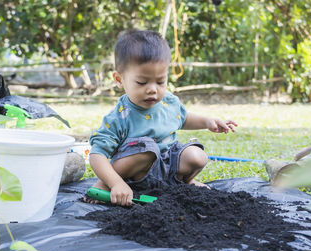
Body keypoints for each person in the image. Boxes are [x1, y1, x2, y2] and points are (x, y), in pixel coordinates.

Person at [86, 29, 237, 206]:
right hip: (136, 172)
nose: (153, 89)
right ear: (119, 79)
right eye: (142, 82)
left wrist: (207, 122)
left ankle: (183, 182)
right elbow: (97, 154)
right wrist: (115, 182)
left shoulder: (168, 102)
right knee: (147, 148)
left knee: (198, 156)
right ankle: (105, 184)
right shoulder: (120, 116)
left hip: (165, 168)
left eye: (160, 82)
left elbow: (182, 118)